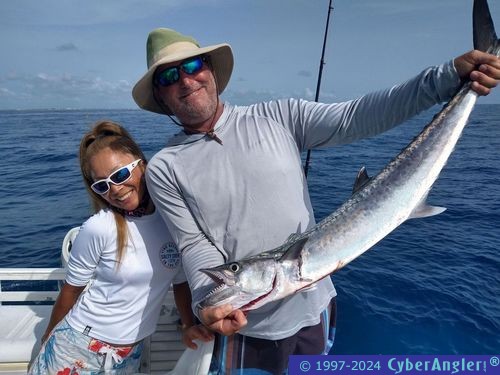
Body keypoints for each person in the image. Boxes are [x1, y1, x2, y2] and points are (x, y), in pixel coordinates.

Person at [132, 28, 500, 374]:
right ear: (160, 97)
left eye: (193, 66)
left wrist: (445, 78)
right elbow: (194, 244)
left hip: (314, 310)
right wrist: (207, 301)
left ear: (210, 70)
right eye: (168, 77)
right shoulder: (165, 167)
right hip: (243, 326)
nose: (185, 80)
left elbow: (354, 117)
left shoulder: (278, 117)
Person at [29, 120, 213, 375]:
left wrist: (187, 325)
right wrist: (47, 339)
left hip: (130, 354)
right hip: (77, 347)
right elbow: (71, 292)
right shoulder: (99, 227)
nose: (115, 189)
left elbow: (180, 282)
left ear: (143, 164)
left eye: (120, 174)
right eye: (102, 185)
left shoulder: (172, 220)